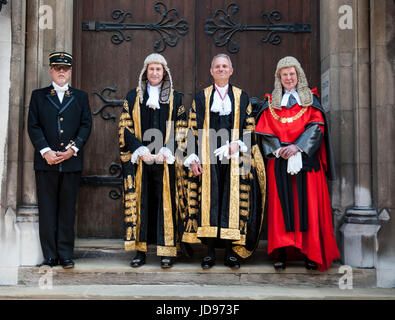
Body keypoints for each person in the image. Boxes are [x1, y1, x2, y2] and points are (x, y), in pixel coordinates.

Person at [177, 54, 266, 269]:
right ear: (211, 71)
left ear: (231, 70)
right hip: (208, 161)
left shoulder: (242, 97)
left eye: (225, 66)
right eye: (217, 66)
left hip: (235, 159)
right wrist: (192, 158)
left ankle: (230, 253)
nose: (221, 69)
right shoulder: (201, 98)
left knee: (231, 203)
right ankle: (208, 253)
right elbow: (191, 131)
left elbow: (251, 128)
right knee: (209, 204)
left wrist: (237, 144)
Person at [254, 56, 340, 271]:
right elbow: (264, 130)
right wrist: (280, 149)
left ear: (298, 75)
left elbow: (317, 127)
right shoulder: (270, 102)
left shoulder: (311, 100)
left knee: (308, 207)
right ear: (279, 78)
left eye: (292, 73)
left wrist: (298, 147)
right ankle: (281, 252)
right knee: (280, 210)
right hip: (280, 161)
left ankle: (309, 252)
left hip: (306, 162)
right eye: (284, 74)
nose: (289, 78)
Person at [118, 53, 186, 268]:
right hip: (141, 162)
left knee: (166, 204)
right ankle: (140, 251)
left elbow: (182, 129)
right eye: (151, 69)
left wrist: (168, 149)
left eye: (158, 69)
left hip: (166, 162)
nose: (155, 73)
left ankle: (167, 251)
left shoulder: (177, 98)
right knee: (142, 204)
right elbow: (125, 128)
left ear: (164, 72)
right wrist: (139, 149)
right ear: (145, 72)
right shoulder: (132, 98)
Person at [27, 51, 92, 269]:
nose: (61, 72)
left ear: (71, 71)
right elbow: (33, 125)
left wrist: (73, 149)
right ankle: (50, 256)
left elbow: (86, 125)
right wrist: (45, 151)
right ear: (51, 70)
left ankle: (65, 255)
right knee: (47, 210)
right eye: (57, 68)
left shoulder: (81, 97)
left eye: (65, 69)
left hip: (71, 163)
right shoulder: (38, 96)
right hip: (45, 163)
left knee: (67, 210)